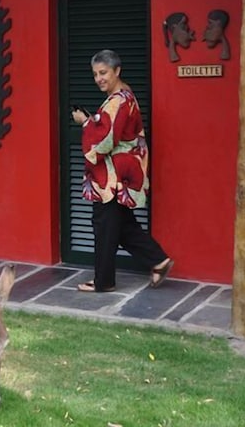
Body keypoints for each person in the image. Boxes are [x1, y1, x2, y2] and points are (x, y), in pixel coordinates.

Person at [71, 49, 174, 292]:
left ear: (117, 71)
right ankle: (158, 260)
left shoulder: (118, 100)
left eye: (103, 72)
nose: (99, 79)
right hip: (122, 173)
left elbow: (105, 140)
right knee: (122, 225)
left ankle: (104, 281)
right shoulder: (124, 95)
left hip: (113, 177)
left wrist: (84, 123)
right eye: (95, 74)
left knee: (105, 226)